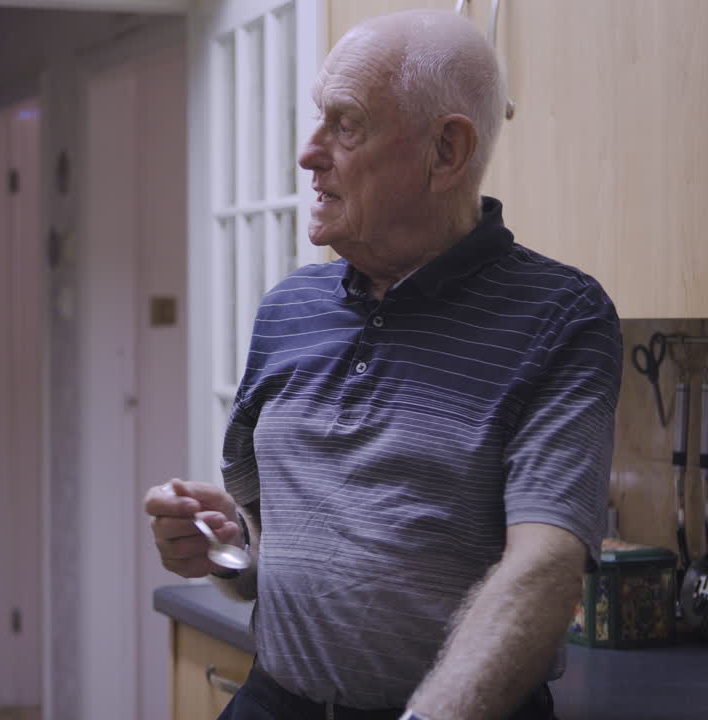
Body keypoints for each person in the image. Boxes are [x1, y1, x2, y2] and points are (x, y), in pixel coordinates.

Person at [145, 10, 621, 720]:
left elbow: (546, 567)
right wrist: (225, 545)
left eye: (346, 125)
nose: (308, 154)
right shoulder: (288, 308)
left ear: (446, 151)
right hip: (273, 702)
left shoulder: (561, 316)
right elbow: (268, 553)